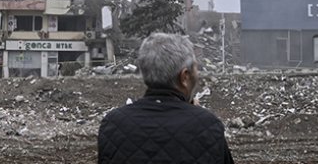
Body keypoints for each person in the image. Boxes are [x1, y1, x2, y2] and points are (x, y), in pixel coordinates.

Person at [98, 33, 234, 163]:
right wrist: (198, 117)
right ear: (185, 76)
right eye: (196, 69)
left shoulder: (112, 124)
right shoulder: (208, 126)